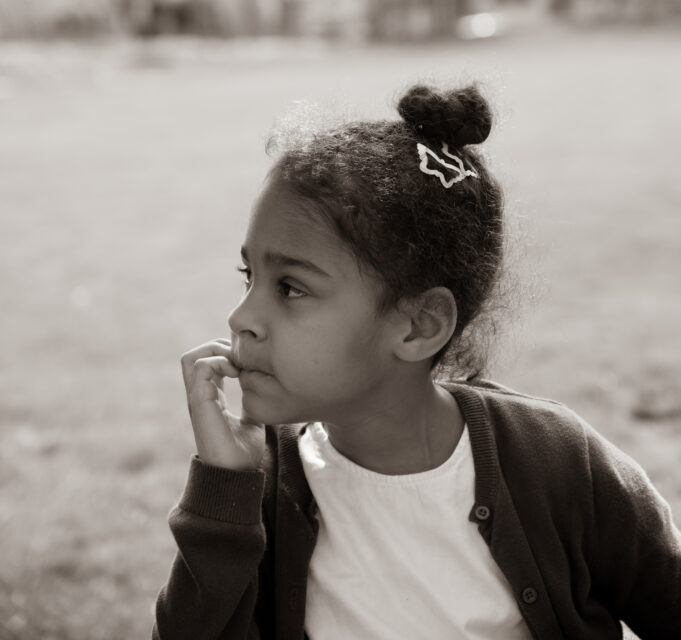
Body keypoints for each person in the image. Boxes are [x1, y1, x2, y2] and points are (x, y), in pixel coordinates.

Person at [153, 83, 681, 640]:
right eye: (249, 277)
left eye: (290, 288)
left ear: (419, 325)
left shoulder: (556, 461)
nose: (241, 317)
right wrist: (224, 495)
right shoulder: (262, 488)